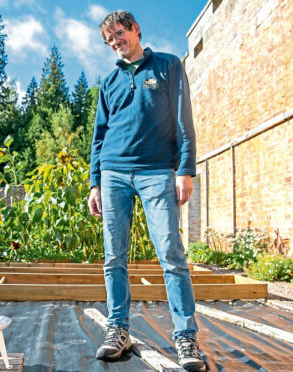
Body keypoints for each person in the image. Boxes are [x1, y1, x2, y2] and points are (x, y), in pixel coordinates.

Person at [88, 10, 206, 371]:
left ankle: (186, 338)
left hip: (157, 171)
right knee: (113, 256)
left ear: (136, 29)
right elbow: (98, 137)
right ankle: (118, 330)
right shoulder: (109, 82)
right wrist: (95, 181)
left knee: (171, 253)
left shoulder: (168, 66)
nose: (115, 42)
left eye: (120, 34)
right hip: (114, 174)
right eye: (109, 40)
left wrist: (184, 170)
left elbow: (184, 121)